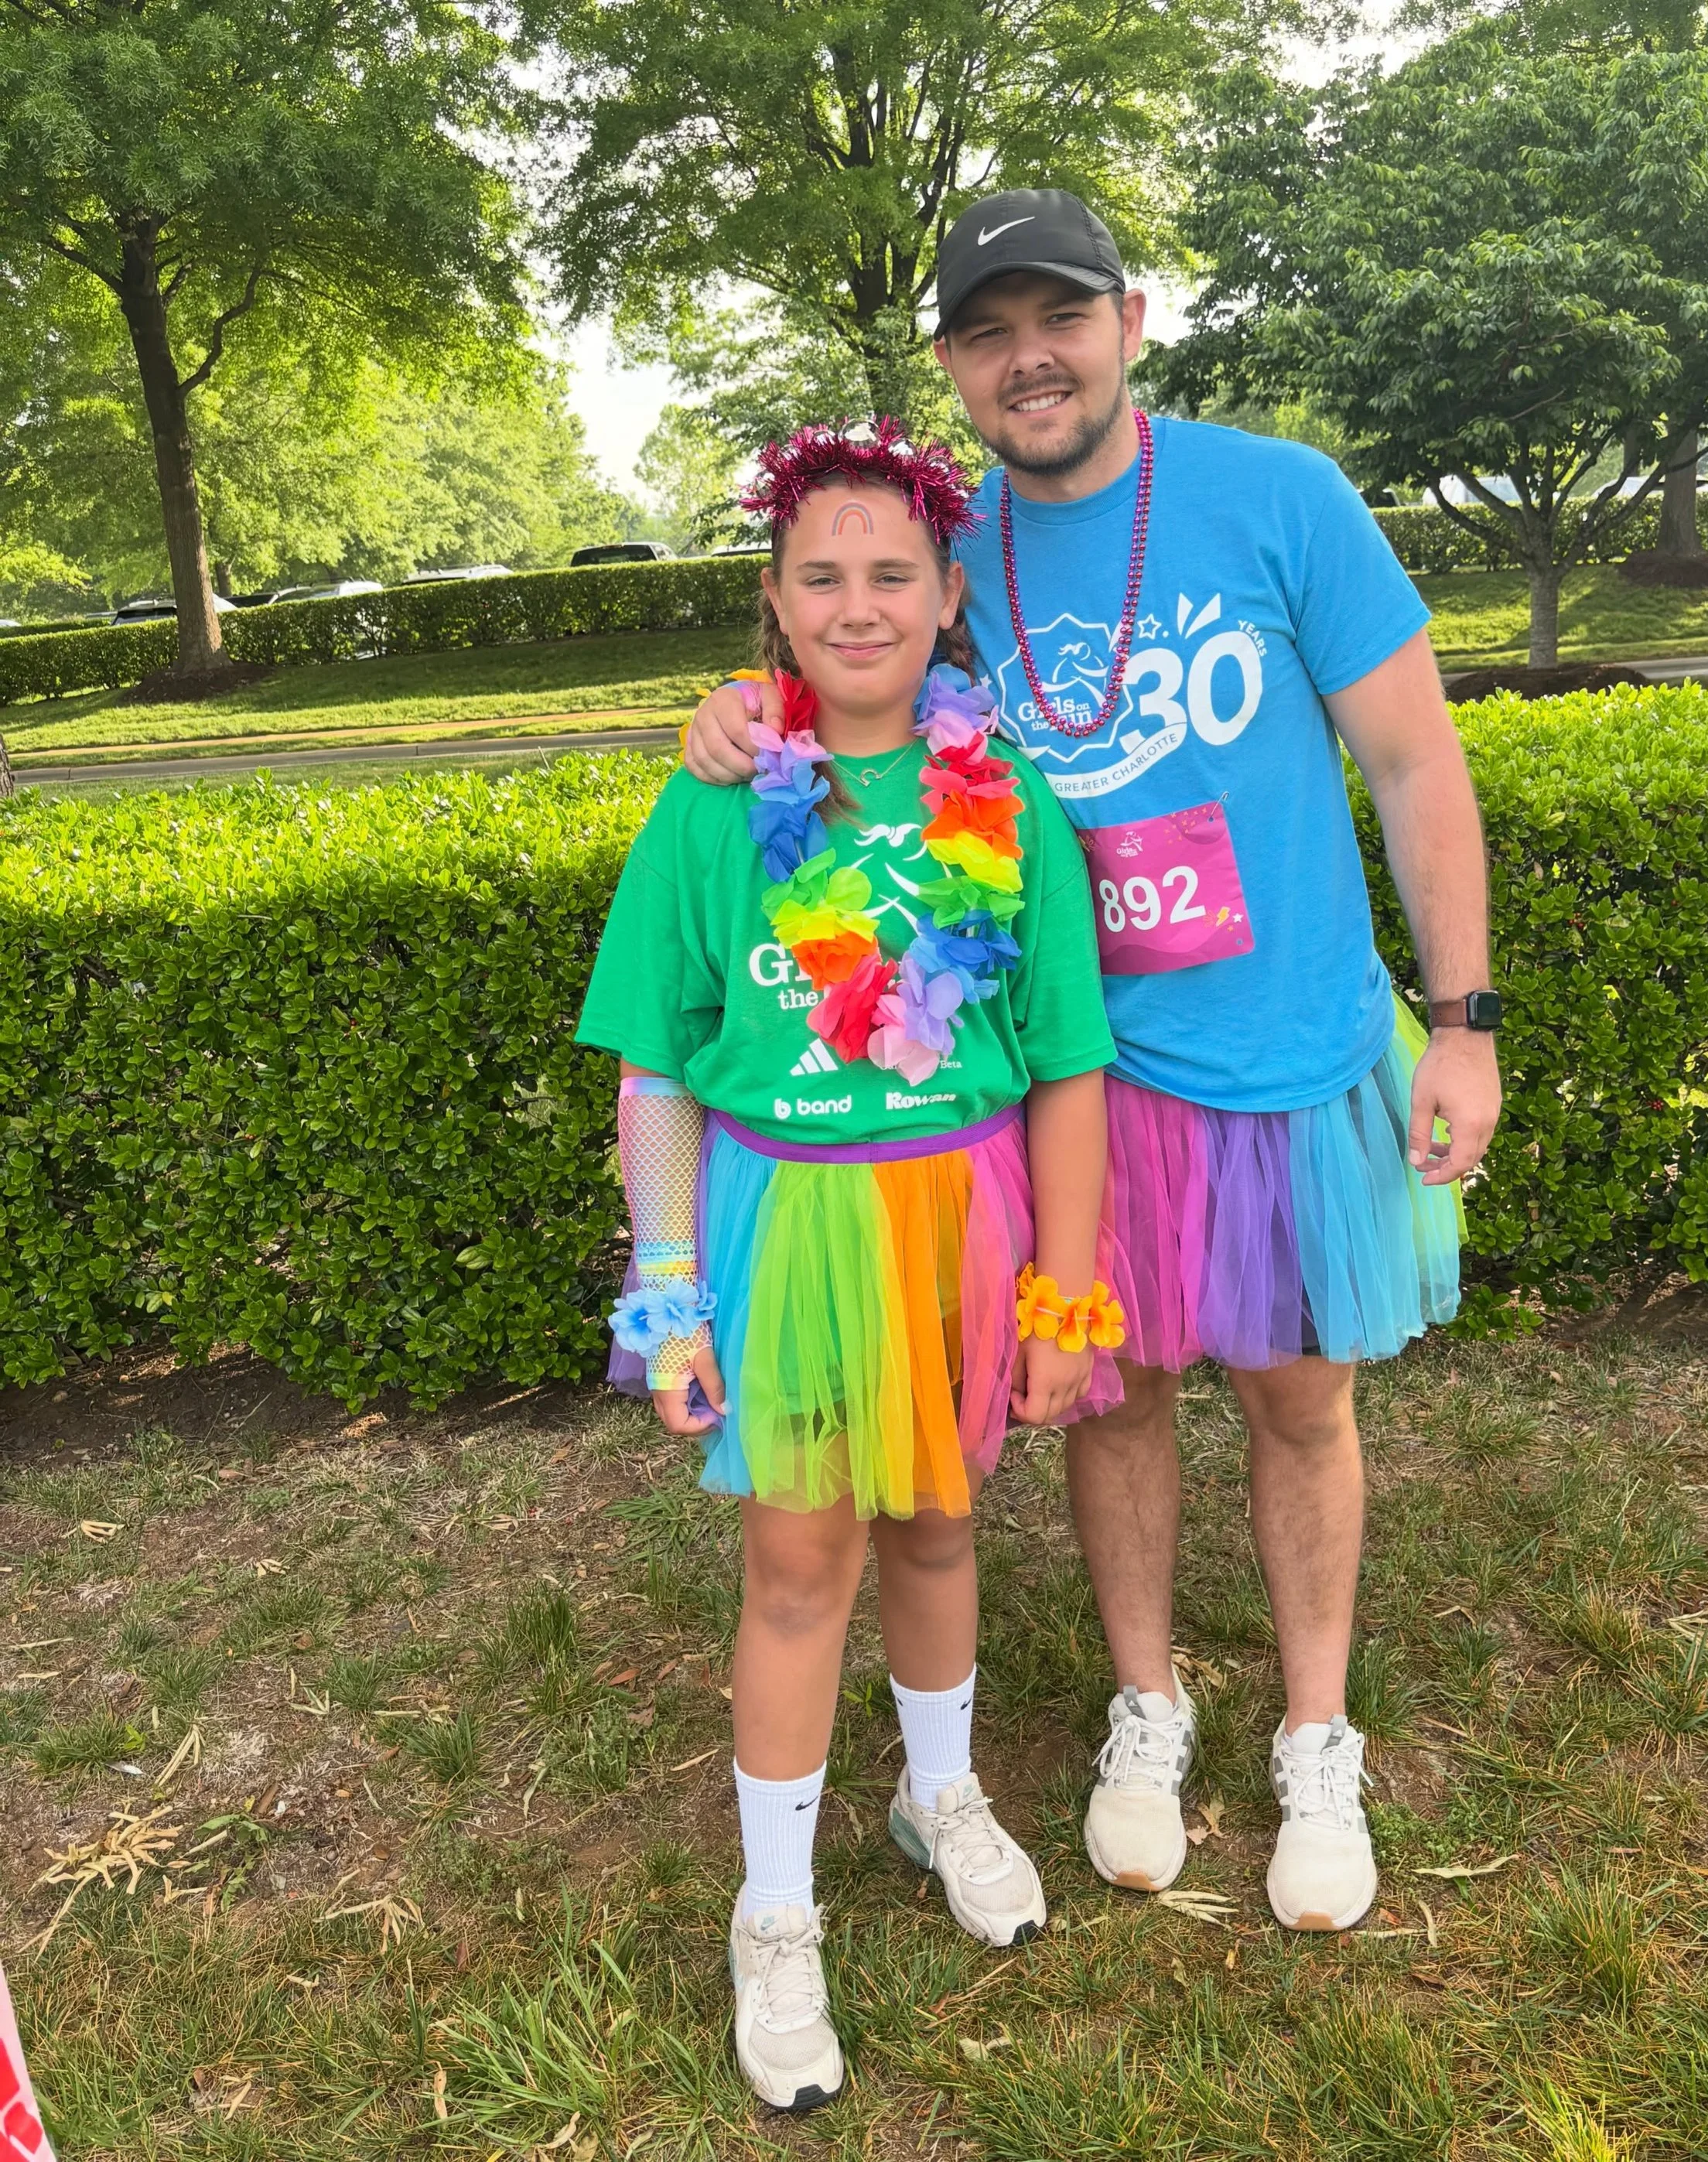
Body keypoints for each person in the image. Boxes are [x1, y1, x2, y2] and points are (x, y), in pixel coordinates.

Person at [681, 190, 1503, 1938]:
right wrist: (726, 710)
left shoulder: (1278, 495)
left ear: (1128, 319)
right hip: (1072, 1078)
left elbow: (1416, 765)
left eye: (1056, 316)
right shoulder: (941, 543)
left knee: (1297, 1393)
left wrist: (1463, 1019)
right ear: (952, 367)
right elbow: (837, 681)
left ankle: (1312, 1728)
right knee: (1105, 1396)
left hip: (1284, 1054)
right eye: (985, 331)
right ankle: (1147, 1705)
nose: (1025, 356)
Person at [576, 419, 1122, 2112]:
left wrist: (1061, 1293)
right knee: (800, 1560)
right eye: (823, 574)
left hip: (962, 1217)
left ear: (948, 592)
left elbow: (1065, 1067)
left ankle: (937, 1790)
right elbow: (657, 1066)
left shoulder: (1003, 795)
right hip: (786, 1217)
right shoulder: (716, 793)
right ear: (774, 600)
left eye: (893, 573)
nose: (859, 601)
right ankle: (771, 1905)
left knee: (943, 1511)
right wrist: (665, 1282)